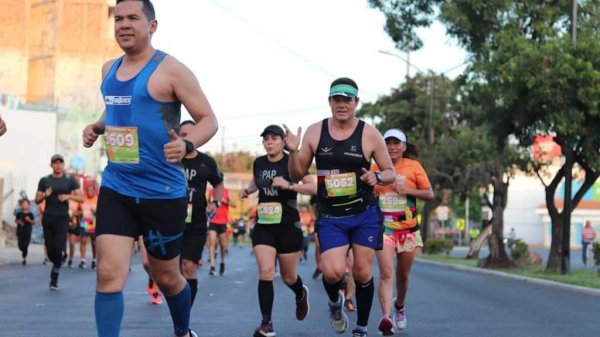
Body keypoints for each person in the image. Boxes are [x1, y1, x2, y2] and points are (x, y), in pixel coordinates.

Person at [81, 1, 217, 336]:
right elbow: (116, 109)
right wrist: (98, 126)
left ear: (152, 26)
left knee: (167, 277)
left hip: (162, 192)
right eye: (119, 19)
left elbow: (208, 120)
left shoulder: (171, 70)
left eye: (133, 18)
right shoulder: (108, 70)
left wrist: (187, 144)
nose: (124, 25)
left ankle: (183, 331)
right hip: (118, 186)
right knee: (108, 274)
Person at [285, 77, 396, 337]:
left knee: (362, 271)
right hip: (331, 215)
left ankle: (361, 327)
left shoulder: (369, 134)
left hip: (363, 213)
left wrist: (376, 177)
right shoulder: (315, 132)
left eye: (348, 99)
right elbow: (296, 173)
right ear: (330, 102)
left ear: (356, 102)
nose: (342, 104)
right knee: (333, 272)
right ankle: (335, 303)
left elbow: (390, 172)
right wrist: (292, 151)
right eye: (337, 99)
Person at [241, 124, 316, 337]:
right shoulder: (259, 162)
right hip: (264, 226)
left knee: (288, 276)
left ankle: (300, 293)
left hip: (288, 227)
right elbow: (257, 180)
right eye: (266, 139)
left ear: (283, 141)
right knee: (266, 272)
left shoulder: (293, 162)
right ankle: (267, 323)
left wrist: (289, 186)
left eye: (274, 138)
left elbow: (313, 187)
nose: (269, 142)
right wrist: (248, 189)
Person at [373, 129, 433, 335]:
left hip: (408, 231)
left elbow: (429, 194)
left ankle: (399, 305)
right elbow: (368, 196)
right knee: (386, 273)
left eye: (396, 143)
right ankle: (386, 317)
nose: (391, 147)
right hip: (385, 230)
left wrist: (408, 191)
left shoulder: (413, 167)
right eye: (387, 143)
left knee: (403, 275)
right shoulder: (376, 167)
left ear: (404, 146)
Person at [180, 120, 224, 305]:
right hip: (170, 221)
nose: (187, 138)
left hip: (196, 223)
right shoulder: (171, 159)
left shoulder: (206, 162)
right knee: (168, 270)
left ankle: (184, 312)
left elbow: (218, 184)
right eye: (183, 135)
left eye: (191, 134)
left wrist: (215, 202)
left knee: (188, 266)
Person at [35, 154, 83, 290]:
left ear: (63, 165)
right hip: (48, 216)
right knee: (50, 250)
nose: (58, 165)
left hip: (62, 217)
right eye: (55, 163)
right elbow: (37, 199)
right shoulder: (44, 180)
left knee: (58, 245)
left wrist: (69, 196)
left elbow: (81, 197)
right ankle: (57, 260)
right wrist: (45, 195)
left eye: (60, 162)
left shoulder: (70, 180)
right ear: (51, 165)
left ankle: (54, 276)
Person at [207, 186, 235, 276]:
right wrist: (208, 209)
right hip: (212, 220)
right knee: (212, 242)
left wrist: (225, 201)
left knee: (223, 245)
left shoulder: (226, 191)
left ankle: (222, 262)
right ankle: (212, 267)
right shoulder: (211, 192)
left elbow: (234, 205)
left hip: (223, 222)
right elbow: (208, 204)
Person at [81, 183, 99, 269]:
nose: (89, 192)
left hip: (94, 223)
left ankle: (94, 260)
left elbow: (102, 211)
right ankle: (83, 260)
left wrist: (96, 212)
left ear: (94, 191)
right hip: (85, 223)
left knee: (94, 243)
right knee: (83, 240)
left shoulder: (97, 200)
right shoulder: (83, 199)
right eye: (88, 190)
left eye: (91, 190)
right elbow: (77, 210)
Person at [15, 199, 35, 265]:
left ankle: (24, 258)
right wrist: (19, 222)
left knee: (26, 245)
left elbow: (33, 222)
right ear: (21, 205)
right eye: (23, 204)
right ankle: (22, 250)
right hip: (20, 231)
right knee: (20, 246)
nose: (24, 205)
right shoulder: (19, 214)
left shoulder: (30, 214)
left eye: (26, 204)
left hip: (27, 231)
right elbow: (16, 221)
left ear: (29, 206)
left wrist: (28, 220)